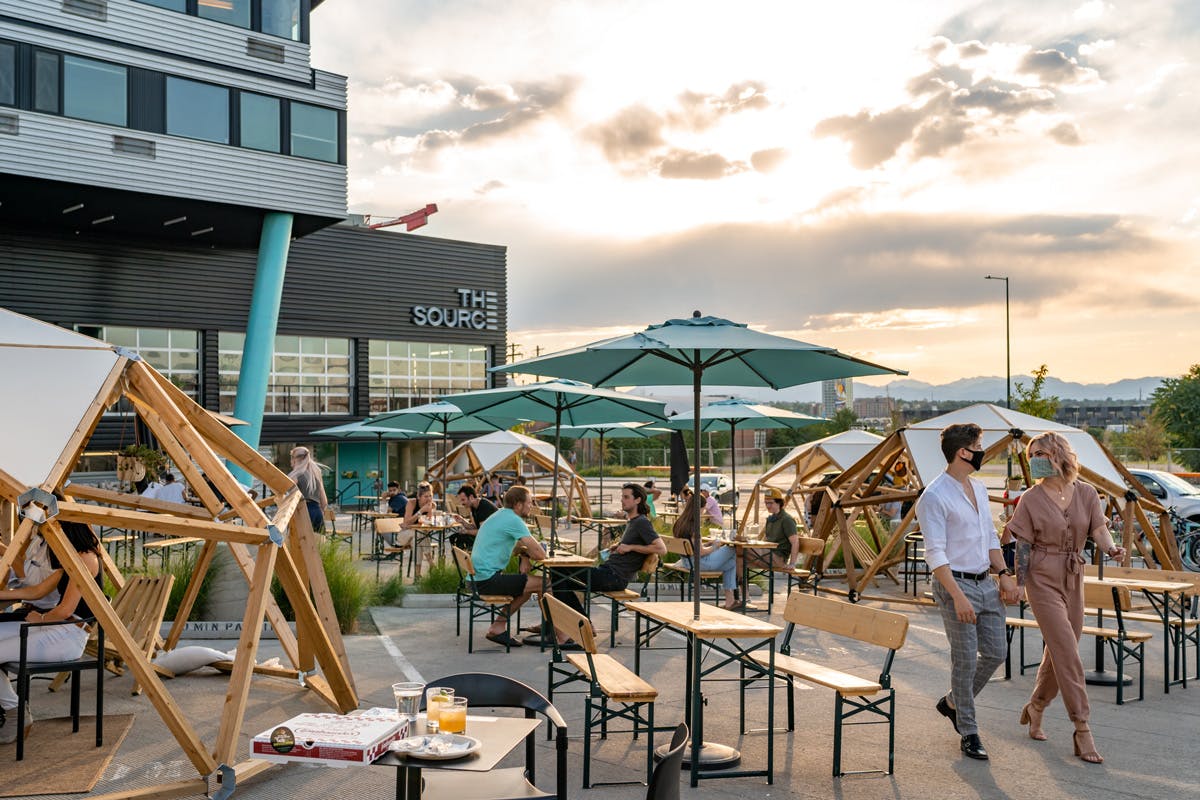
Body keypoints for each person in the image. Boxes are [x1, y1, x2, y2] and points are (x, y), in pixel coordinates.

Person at [1004, 432, 1125, 764]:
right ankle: (1082, 726)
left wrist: (1111, 548)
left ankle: (1036, 706)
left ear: (1058, 454)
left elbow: (1098, 529)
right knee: (1068, 652)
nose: (1035, 459)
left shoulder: (1086, 493)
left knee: (1060, 649)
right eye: (1032, 455)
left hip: (1074, 575)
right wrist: (1018, 583)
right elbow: (1023, 546)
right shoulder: (1030, 498)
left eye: (1040, 452)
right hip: (1042, 576)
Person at [916, 422, 1019, 761]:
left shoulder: (975, 487)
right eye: (979, 446)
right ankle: (969, 731)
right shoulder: (933, 496)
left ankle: (952, 703)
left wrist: (1003, 573)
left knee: (995, 653)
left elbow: (989, 536)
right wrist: (957, 596)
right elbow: (935, 554)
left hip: (985, 582)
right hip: (954, 585)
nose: (982, 452)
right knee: (964, 660)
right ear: (964, 452)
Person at [0, 520, 103, 744]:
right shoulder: (70, 557)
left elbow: (65, 609)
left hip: (67, 636)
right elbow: (37, 591)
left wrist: (42, 618)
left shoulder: (85, 559)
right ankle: (10, 708)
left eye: (48, 533)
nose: (45, 538)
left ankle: (14, 712)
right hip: (55, 627)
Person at [470, 486, 574, 649]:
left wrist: (525, 556)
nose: (531, 506)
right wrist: (531, 553)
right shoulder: (514, 520)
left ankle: (498, 627)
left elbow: (519, 545)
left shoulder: (500, 515)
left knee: (526, 588)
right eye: (529, 502)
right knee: (544, 583)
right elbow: (540, 554)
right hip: (487, 580)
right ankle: (561, 635)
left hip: (477, 579)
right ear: (518, 504)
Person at [551, 483, 667, 617]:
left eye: (626, 497)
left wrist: (630, 547)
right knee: (560, 579)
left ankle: (579, 624)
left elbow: (661, 548)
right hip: (607, 573)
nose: (622, 500)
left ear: (638, 500)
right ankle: (572, 624)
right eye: (622, 497)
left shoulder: (642, 522)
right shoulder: (633, 521)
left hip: (613, 578)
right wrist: (619, 545)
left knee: (558, 572)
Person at [672, 493, 741, 610]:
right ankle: (736, 595)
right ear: (701, 508)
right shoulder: (694, 525)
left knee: (731, 563)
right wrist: (715, 546)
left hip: (687, 562)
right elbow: (701, 553)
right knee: (732, 549)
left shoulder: (680, 523)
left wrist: (707, 544)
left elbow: (693, 547)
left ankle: (731, 601)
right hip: (699, 563)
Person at [403, 483, 438, 578]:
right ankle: (431, 563)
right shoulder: (411, 503)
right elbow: (406, 523)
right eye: (425, 496)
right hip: (404, 535)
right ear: (418, 496)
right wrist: (421, 511)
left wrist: (430, 511)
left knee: (417, 539)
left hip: (418, 536)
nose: (429, 499)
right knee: (418, 534)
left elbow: (428, 525)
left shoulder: (432, 505)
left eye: (430, 495)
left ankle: (417, 575)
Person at [289, 446, 327, 533]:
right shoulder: (316, 475)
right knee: (318, 544)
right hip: (317, 512)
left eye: (291, 457)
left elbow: (289, 497)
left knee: (299, 545)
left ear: (295, 459)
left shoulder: (294, 476)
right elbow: (324, 502)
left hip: (302, 512)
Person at [759, 488, 799, 568]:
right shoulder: (770, 519)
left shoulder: (786, 519)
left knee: (742, 551)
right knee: (737, 555)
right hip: (768, 554)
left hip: (778, 558)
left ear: (779, 503)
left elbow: (795, 542)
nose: (767, 506)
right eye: (766, 503)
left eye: (770, 503)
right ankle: (738, 580)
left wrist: (792, 564)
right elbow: (766, 540)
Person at [451, 484, 498, 550]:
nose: (462, 503)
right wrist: (462, 521)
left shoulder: (483, 506)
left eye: (463, 500)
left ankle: (466, 558)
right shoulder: (473, 507)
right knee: (453, 537)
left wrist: (467, 531)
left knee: (460, 539)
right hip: (487, 536)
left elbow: (482, 532)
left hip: (494, 539)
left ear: (471, 497)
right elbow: (475, 527)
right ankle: (461, 558)